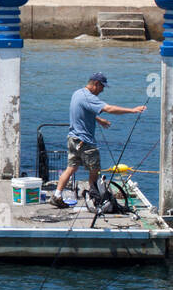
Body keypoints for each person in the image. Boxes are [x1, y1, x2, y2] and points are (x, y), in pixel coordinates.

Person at [51, 71, 146, 208]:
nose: (102, 91)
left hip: (73, 139)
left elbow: (82, 111)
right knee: (95, 170)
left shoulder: (77, 93)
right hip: (85, 142)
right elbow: (109, 108)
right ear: (96, 84)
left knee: (71, 168)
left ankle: (57, 195)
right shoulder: (89, 97)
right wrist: (132, 110)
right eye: (102, 87)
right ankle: (94, 197)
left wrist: (98, 119)